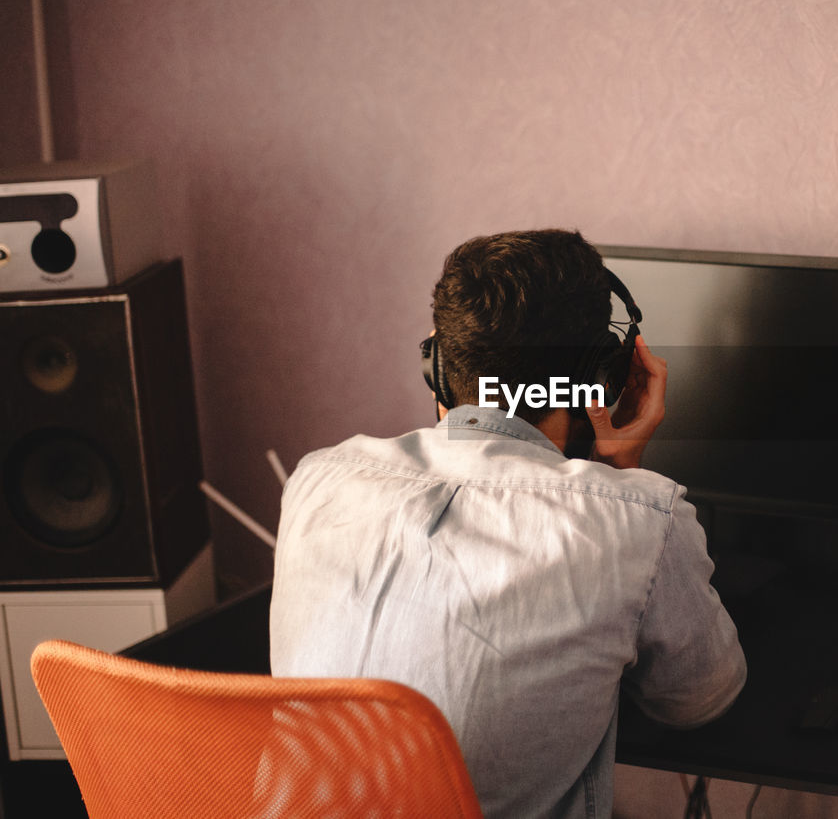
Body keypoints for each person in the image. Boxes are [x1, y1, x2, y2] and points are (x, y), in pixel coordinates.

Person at [270, 229, 746, 818]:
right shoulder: (641, 522)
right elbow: (699, 699)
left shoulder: (316, 480)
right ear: (603, 378)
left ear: (438, 368)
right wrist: (622, 473)